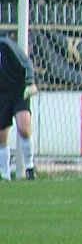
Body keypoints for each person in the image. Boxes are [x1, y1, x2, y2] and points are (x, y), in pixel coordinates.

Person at [0, 35, 38, 180]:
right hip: (2, 94)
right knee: (1, 136)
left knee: (24, 128)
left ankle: (29, 167)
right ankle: (5, 174)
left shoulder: (5, 45)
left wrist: (30, 82)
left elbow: (26, 63)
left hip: (18, 89)